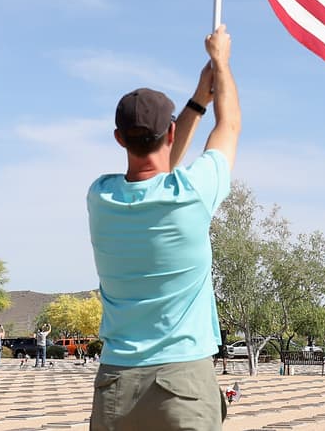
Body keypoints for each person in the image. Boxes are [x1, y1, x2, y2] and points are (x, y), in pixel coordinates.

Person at [87, 26, 241, 430]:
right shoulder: (191, 192)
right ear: (170, 133)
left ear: (119, 138)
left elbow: (156, 170)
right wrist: (220, 65)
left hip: (117, 380)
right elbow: (230, 127)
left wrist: (195, 101)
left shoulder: (100, 197)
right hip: (183, 381)